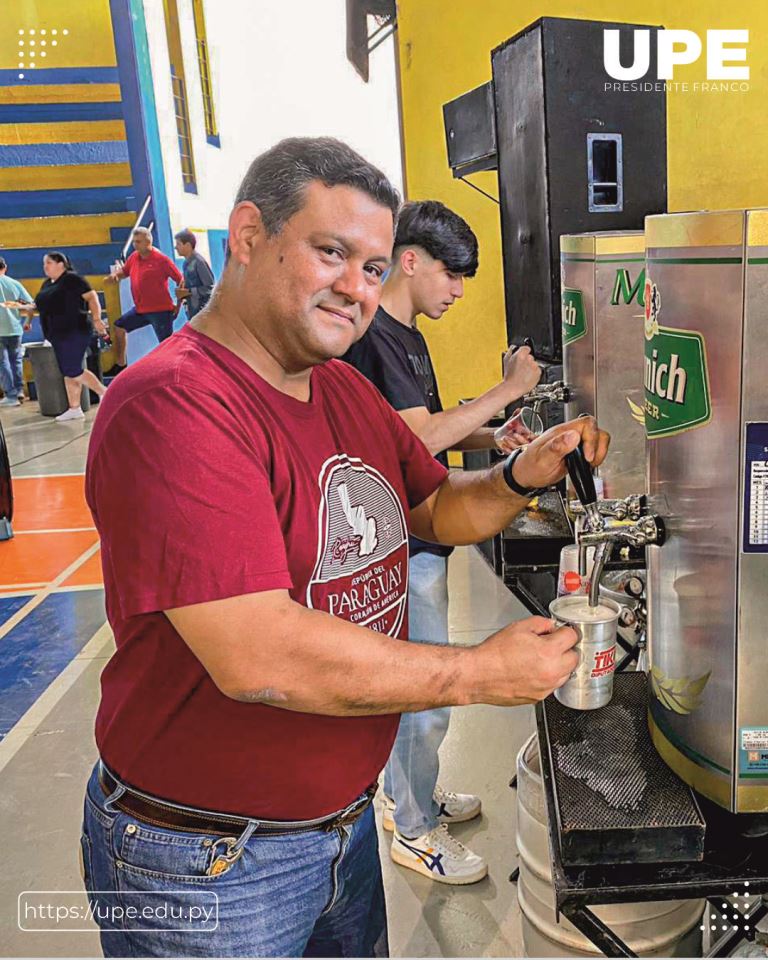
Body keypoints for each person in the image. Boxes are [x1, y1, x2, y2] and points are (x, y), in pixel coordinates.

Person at [82, 137, 607, 958]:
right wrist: (477, 673)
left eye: (371, 267)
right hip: (210, 858)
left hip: (340, 825)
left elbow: (433, 508)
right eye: (332, 254)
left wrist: (520, 474)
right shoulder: (177, 406)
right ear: (248, 237)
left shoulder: (340, 388)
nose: (356, 289)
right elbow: (261, 659)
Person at [342, 199, 541, 884]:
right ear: (410, 260)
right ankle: (415, 829)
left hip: (422, 536)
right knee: (422, 696)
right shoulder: (371, 337)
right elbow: (422, 438)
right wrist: (508, 388)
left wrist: (496, 435)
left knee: (421, 695)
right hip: (391, 545)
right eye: (451, 275)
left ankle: (411, 798)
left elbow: (423, 428)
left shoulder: (409, 335)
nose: (457, 291)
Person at [11, 252, 107, 422]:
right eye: (44, 263)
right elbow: (38, 305)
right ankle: (74, 408)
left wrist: (98, 319)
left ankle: (104, 392)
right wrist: (28, 317)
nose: (45, 266)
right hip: (56, 333)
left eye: (48, 263)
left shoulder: (72, 280)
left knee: (72, 369)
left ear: (61, 264)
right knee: (68, 371)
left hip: (75, 330)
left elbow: (92, 297)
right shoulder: (47, 284)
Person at [103, 226, 183, 376]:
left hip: (160, 310)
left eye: (138, 242)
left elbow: (180, 280)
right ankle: (121, 364)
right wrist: (116, 276)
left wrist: (179, 304)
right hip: (140, 309)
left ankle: (174, 370)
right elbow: (125, 272)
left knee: (166, 343)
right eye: (134, 242)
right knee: (119, 327)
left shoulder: (162, 260)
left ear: (148, 242)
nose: (135, 245)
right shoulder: (133, 257)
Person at [0, 257, 33, 406]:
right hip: (15, 328)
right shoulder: (14, 284)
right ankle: (19, 390)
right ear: (5, 267)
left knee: (2, 362)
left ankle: (11, 395)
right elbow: (30, 305)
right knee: (16, 360)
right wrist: (28, 321)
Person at [174, 228, 215, 319]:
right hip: (192, 310)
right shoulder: (186, 263)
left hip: (202, 312)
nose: (176, 247)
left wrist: (188, 292)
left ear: (188, 245)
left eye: (178, 244)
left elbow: (209, 287)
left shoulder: (199, 262)